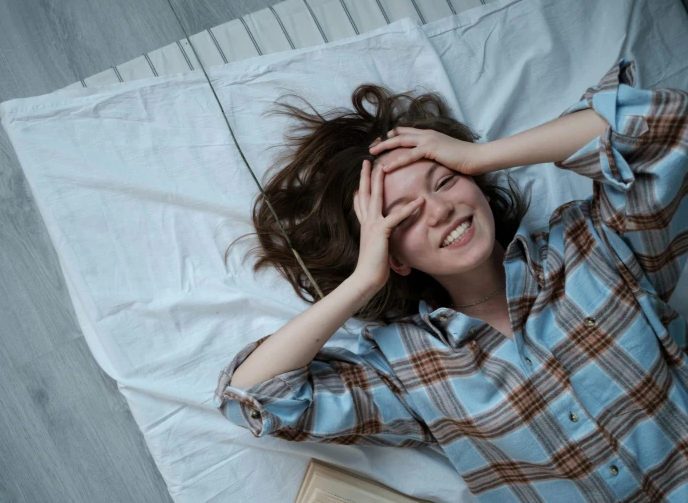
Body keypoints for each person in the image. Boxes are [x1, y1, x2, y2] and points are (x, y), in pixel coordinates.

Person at [215, 57, 688, 502]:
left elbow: (666, 125)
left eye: (444, 181)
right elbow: (254, 398)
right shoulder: (407, 371)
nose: (440, 211)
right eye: (405, 217)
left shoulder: (591, 245)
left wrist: (479, 155)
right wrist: (363, 279)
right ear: (393, 255)